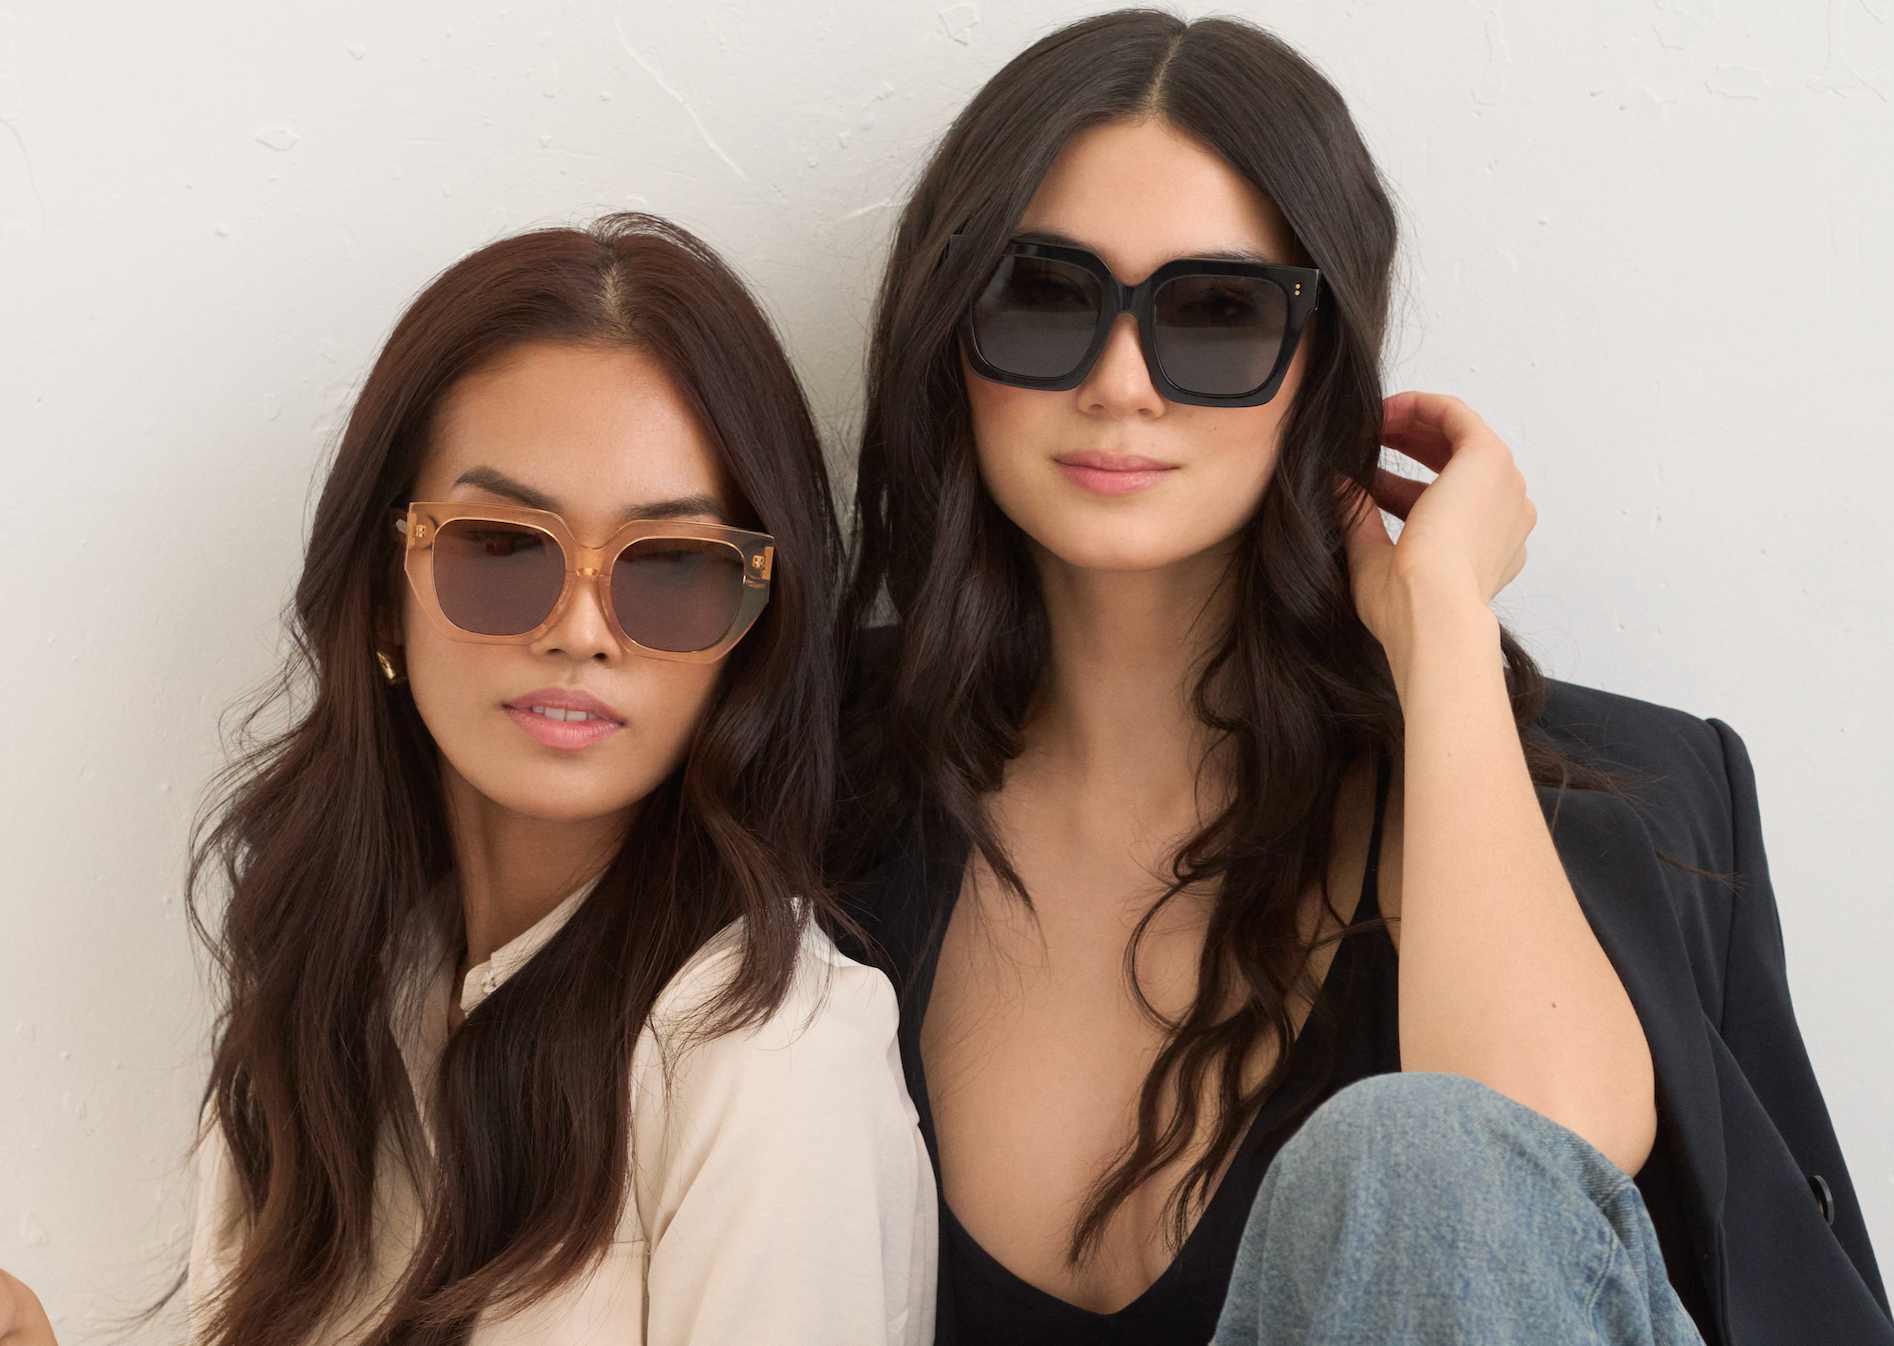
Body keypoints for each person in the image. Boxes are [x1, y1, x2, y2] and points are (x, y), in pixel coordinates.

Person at [833, 12, 1890, 1346]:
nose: (1118, 383)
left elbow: (1514, 1198)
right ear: (951, 333)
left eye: (1213, 314)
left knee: (1425, 1156)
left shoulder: (1570, 794)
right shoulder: (809, 787)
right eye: (1041, 294)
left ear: (1317, 365)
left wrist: (1439, 629)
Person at [2, 214, 935, 1346]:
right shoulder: (328, 989)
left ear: (754, 632)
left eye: (673, 568)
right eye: (502, 548)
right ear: (384, 587)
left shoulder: (774, 1062)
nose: (582, 629)